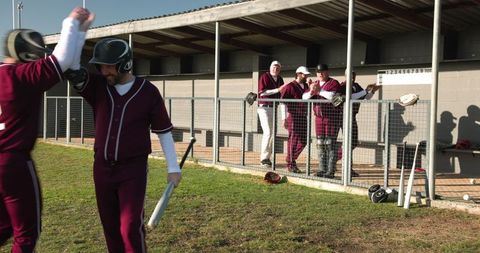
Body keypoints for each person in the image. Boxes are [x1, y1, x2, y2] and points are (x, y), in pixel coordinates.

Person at [67, 38, 181, 253]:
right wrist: (76, 32)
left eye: (109, 66)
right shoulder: (98, 86)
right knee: (110, 228)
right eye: (101, 66)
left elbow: (164, 131)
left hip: (133, 170)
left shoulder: (148, 92)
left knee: (129, 227)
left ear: (125, 64)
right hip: (101, 168)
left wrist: (173, 168)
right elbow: (72, 70)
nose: (104, 71)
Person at [0, 8, 94, 253]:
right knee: (27, 233)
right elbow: (63, 61)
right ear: (26, 51)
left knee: (3, 226)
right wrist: (70, 22)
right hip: (12, 162)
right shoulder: (20, 76)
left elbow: (67, 62)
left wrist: (81, 33)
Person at [337, 70, 381, 177]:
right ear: (346, 76)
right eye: (350, 75)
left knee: (353, 142)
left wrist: (372, 91)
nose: (352, 77)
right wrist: (366, 90)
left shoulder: (356, 86)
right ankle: (344, 165)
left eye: (354, 75)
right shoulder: (343, 86)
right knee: (348, 142)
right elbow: (349, 97)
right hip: (344, 116)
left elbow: (365, 98)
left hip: (352, 116)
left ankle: (342, 162)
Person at [303, 64, 341, 178]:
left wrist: (318, 91)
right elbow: (304, 97)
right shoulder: (315, 83)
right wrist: (311, 92)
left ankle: (330, 171)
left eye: (323, 71)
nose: (320, 74)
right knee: (320, 144)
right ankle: (322, 169)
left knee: (330, 144)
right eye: (318, 72)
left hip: (331, 118)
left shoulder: (334, 83)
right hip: (319, 118)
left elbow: (333, 97)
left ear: (327, 72)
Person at [257, 61, 290, 167]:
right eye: (274, 67)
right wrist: (277, 89)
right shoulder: (265, 76)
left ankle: (267, 157)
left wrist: (284, 117)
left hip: (273, 107)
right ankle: (264, 158)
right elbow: (262, 92)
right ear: (270, 68)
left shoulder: (280, 79)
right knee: (268, 132)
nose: (275, 69)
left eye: (278, 67)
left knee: (271, 133)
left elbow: (282, 97)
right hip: (264, 107)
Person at [280, 66, 311, 173]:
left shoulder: (306, 85)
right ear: (298, 74)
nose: (306, 76)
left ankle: (291, 159)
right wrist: (284, 118)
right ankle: (291, 164)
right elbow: (282, 102)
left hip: (303, 115)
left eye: (306, 74)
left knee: (304, 140)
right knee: (293, 140)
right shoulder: (290, 86)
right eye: (304, 74)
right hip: (293, 115)